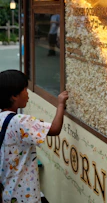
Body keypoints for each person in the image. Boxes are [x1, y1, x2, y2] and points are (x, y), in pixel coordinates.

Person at [0, 69, 68, 203]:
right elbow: (54, 129)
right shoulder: (20, 122)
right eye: (25, 90)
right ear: (14, 96)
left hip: (6, 191)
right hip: (25, 194)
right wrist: (60, 104)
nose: (28, 94)